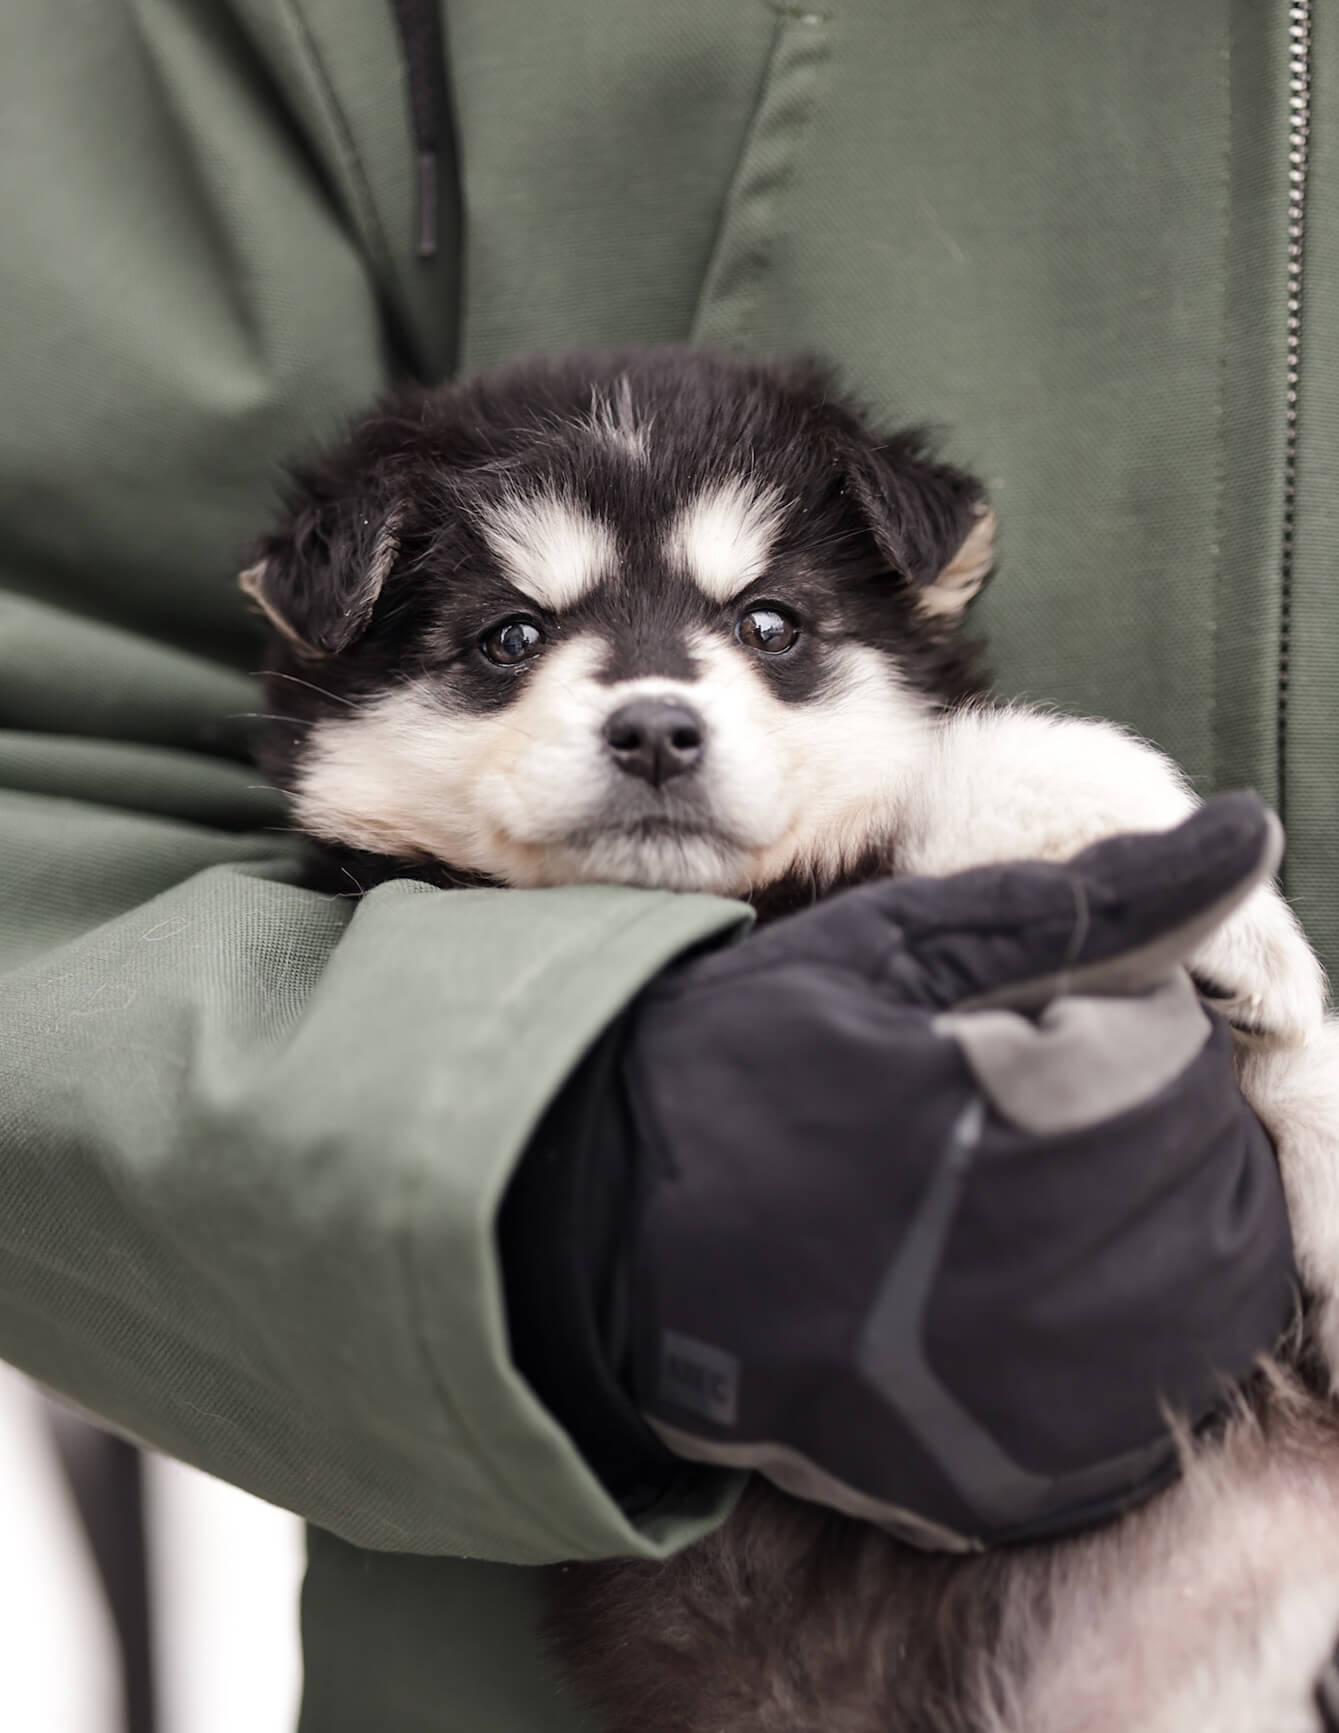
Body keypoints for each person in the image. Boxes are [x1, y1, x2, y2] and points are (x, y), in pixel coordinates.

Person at [0, 3, 1322, 1728]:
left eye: (769, 627)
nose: (653, 702)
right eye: (505, 639)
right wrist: (561, 1174)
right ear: (327, 658)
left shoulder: (983, 782)